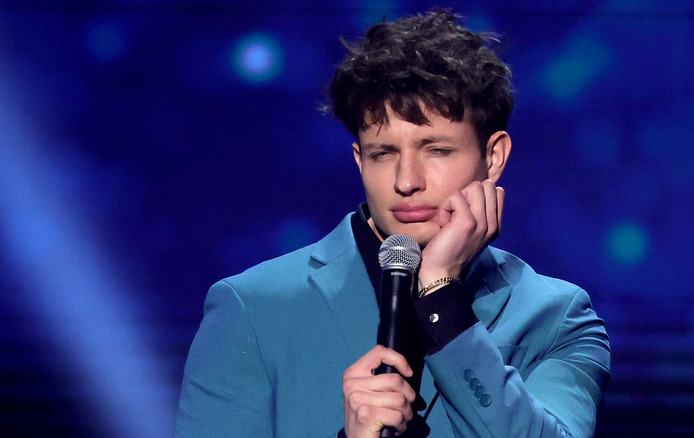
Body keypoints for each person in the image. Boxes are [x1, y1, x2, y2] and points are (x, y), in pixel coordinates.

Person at [174, 10, 610, 438]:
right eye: (383, 153)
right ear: (359, 160)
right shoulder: (253, 309)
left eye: (435, 149)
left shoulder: (556, 318)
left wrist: (440, 293)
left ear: (493, 156)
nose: (406, 181)